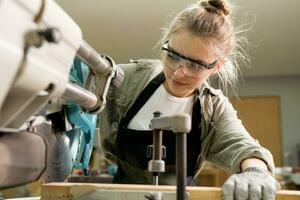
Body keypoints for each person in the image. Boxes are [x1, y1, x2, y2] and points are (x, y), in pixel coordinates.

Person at [98, 0, 280, 199]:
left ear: (216, 67)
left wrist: (256, 173)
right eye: (173, 56)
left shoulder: (214, 109)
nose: (179, 72)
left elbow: (245, 147)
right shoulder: (128, 79)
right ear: (166, 43)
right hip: (121, 195)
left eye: (195, 65)